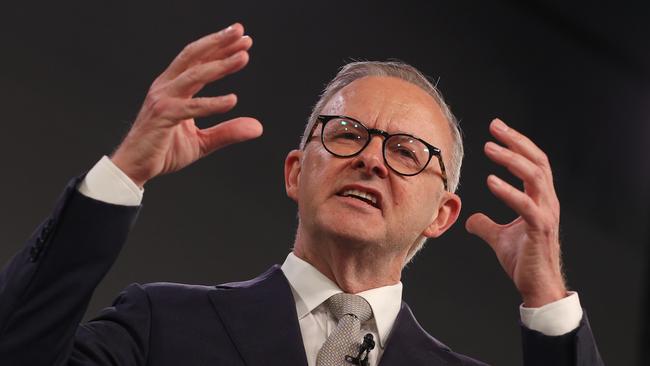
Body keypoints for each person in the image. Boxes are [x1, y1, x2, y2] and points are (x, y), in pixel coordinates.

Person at [0, 23, 603, 366]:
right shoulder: (160, 324)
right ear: (295, 172)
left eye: (406, 153)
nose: (370, 158)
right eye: (347, 134)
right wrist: (123, 173)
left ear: (442, 215)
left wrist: (546, 291)